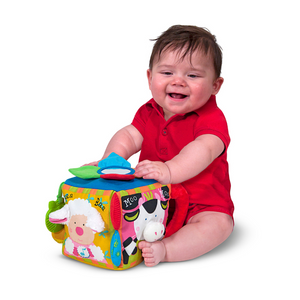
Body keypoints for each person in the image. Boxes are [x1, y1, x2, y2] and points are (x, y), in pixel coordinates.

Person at [86, 25, 234, 267]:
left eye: (193, 75)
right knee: (121, 206)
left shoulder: (212, 118)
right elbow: (129, 136)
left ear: (215, 86)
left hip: (202, 204)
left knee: (219, 225)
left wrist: (168, 171)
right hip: (153, 199)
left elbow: (204, 149)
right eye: (167, 73)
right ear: (150, 77)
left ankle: (167, 249)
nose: (178, 82)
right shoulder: (148, 111)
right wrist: (111, 161)